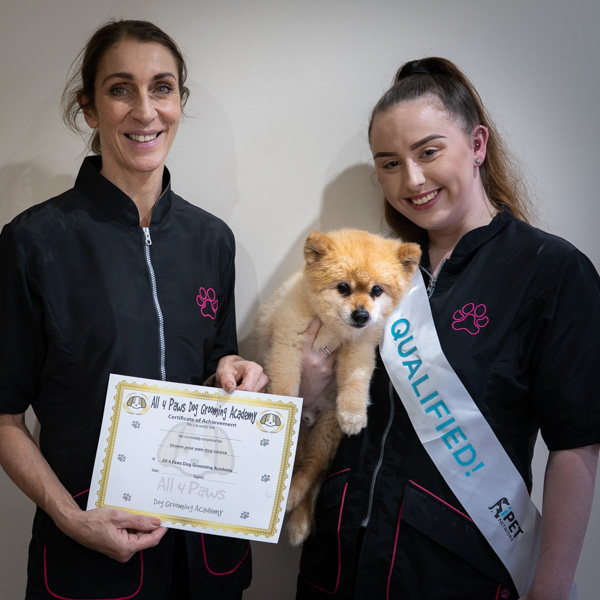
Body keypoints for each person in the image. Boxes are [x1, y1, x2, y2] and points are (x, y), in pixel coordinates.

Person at [294, 57, 600, 600]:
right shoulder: (370, 269)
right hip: (338, 563)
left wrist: (550, 590)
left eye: (428, 152)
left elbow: (576, 445)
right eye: (388, 163)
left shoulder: (549, 271)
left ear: (477, 145)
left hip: (455, 572)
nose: (410, 179)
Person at [0, 19, 266, 600]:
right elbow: (4, 419)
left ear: (179, 102)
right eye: (120, 89)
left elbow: (218, 363)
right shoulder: (35, 242)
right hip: (89, 560)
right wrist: (72, 521)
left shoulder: (213, 240)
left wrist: (234, 370)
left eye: (162, 88)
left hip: (205, 560)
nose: (145, 111)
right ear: (89, 109)